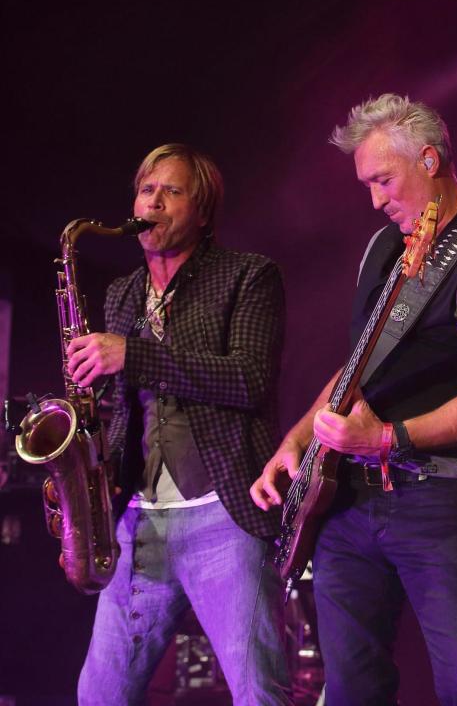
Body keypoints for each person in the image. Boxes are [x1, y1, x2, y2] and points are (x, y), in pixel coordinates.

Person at [251, 93, 457, 706]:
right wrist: (296, 441)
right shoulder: (382, 248)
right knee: (351, 687)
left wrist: (385, 438)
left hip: (438, 499)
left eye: (383, 179)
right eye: (368, 184)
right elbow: (357, 370)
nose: (375, 199)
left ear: (429, 160)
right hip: (349, 502)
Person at [66, 144, 291, 704]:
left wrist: (132, 356)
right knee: (99, 696)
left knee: (259, 693)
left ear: (204, 211)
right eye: (147, 190)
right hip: (138, 522)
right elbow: (121, 408)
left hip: (226, 519)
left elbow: (248, 379)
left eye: (172, 191)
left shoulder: (249, 275)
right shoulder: (122, 293)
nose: (154, 203)